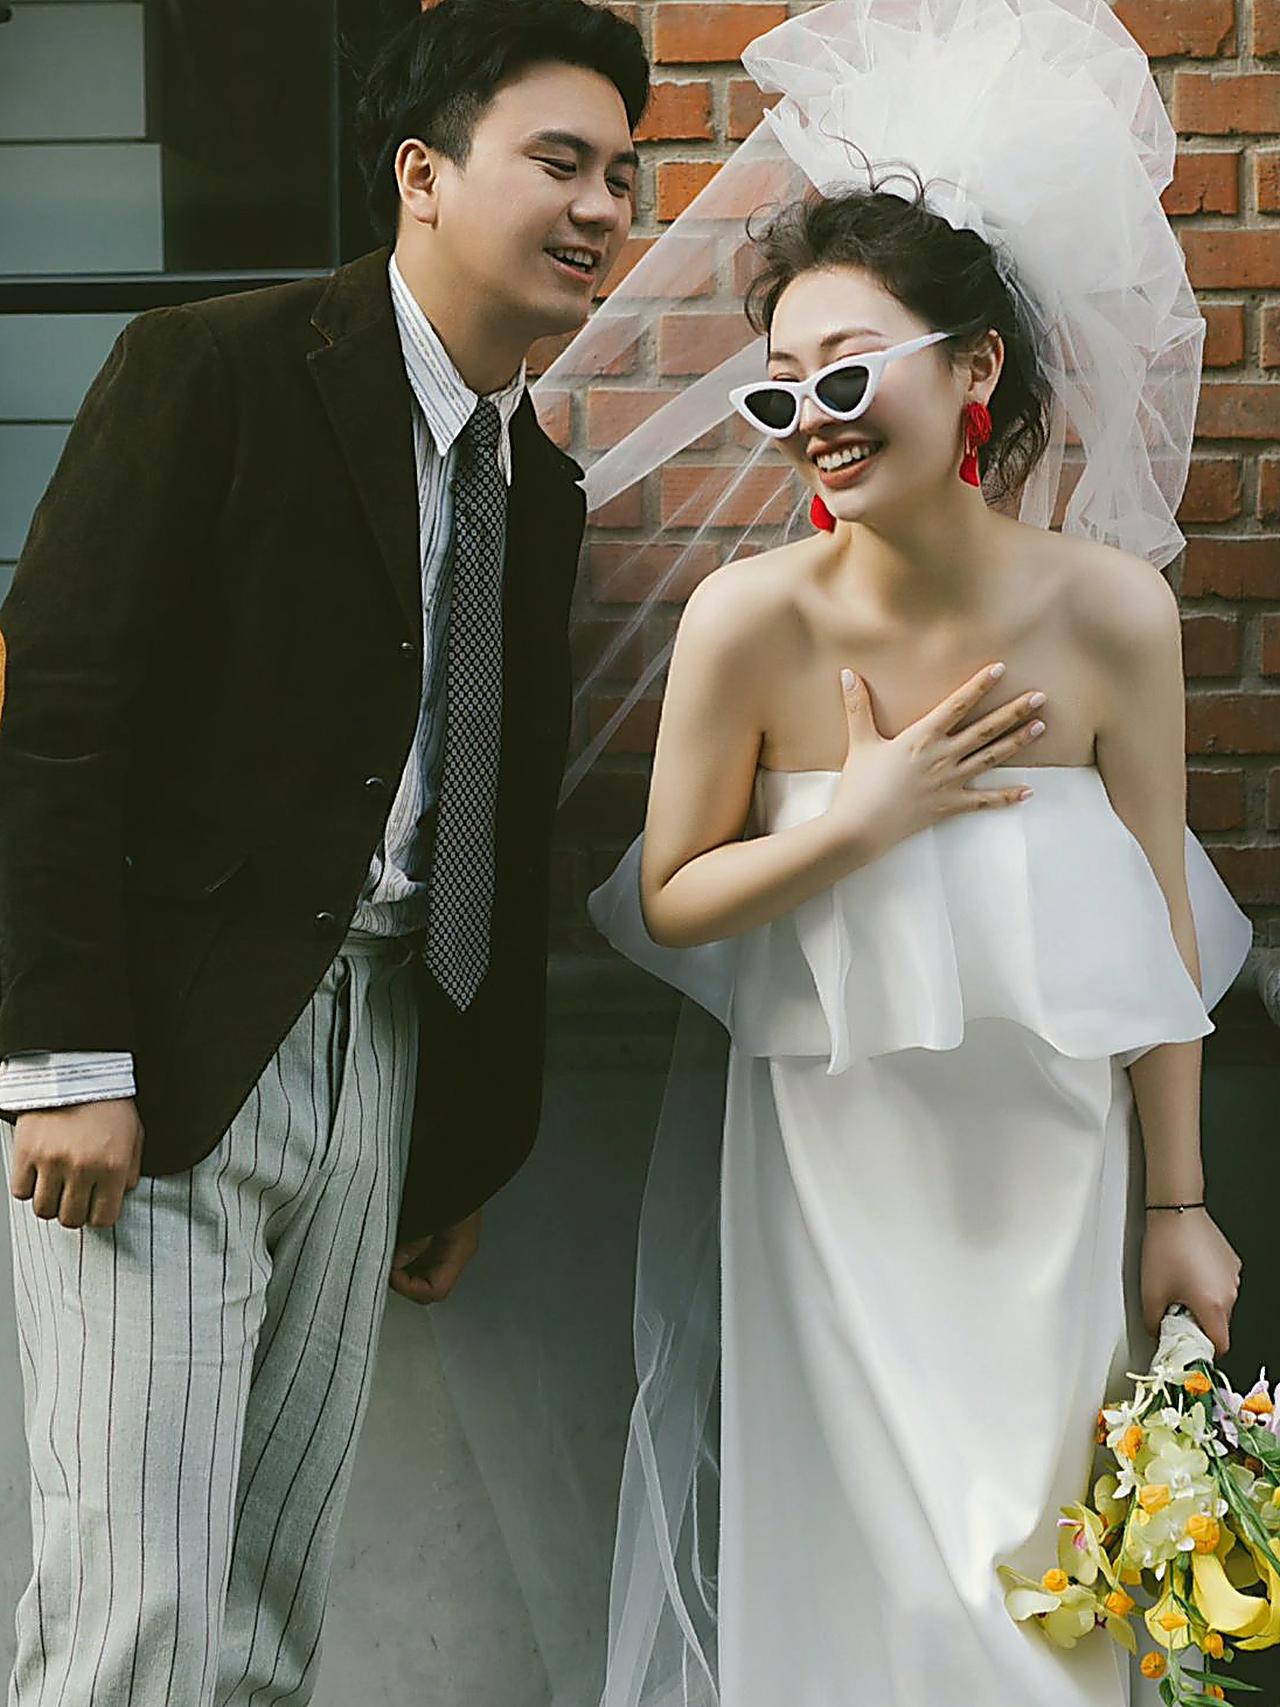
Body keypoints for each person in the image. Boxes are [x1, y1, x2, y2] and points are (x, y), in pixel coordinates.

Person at [428, 0, 1257, 1701]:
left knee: (1047, 1614)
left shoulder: (1115, 615)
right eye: (783, 386)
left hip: (1054, 1181)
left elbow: (1163, 932)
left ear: (977, 371)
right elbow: (673, 896)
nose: (814, 414)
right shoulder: (753, 621)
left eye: (852, 373)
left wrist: (1181, 1206)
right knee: (864, 1608)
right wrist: (865, 817)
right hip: (830, 1180)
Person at [0, 1, 647, 1700]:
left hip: (389, 1060)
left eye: (623, 177)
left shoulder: (537, 491)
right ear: (423, 174)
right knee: (136, 1615)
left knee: (268, 1620)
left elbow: (490, 808)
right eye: (561, 162)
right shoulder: (212, 370)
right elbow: (55, 717)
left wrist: (460, 1145)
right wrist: (64, 1061)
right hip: (168, 1054)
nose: (601, 209)